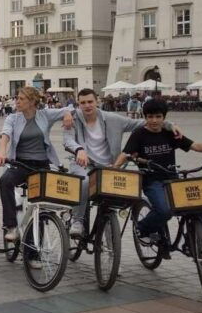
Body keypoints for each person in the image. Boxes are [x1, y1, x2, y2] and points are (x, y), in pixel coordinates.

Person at [114, 99, 202, 257]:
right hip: (152, 181)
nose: (154, 120)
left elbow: (194, 145)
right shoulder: (139, 134)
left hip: (172, 179)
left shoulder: (170, 133)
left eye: (158, 116)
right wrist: (114, 168)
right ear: (145, 117)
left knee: (200, 205)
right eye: (150, 117)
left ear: (164, 117)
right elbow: (126, 153)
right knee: (164, 210)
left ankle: (191, 240)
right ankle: (142, 228)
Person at [64, 89, 179, 239]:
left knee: (112, 197)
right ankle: (78, 220)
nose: (87, 105)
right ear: (78, 104)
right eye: (83, 103)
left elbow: (141, 123)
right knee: (84, 182)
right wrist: (78, 149)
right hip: (83, 163)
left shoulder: (113, 119)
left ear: (97, 101)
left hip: (109, 166)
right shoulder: (72, 119)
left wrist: (169, 125)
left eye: (90, 101)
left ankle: (109, 230)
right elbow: (67, 139)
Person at [0, 87, 72, 242]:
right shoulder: (13, 118)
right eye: (17, 98)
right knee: (5, 181)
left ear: (32, 102)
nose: (17, 101)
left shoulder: (45, 115)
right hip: (20, 164)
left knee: (40, 204)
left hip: (42, 165)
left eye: (21, 99)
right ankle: (11, 226)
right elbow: (6, 134)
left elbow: (70, 108)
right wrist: (2, 152)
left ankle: (34, 249)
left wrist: (67, 114)